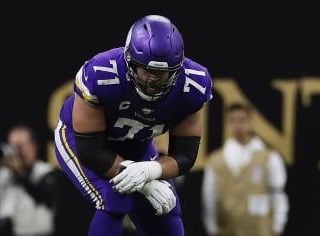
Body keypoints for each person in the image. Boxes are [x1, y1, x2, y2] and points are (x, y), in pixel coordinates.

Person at [53, 14, 213, 236]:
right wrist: (145, 184)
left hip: (136, 145)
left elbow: (185, 155)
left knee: (166, 210)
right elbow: (91, 151)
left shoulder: (193, 85)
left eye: (161, 72)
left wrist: (151, 170)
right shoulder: (101, 73)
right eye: (146, 69)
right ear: (129, 61)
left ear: (176, 70)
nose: (152, 79)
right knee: (114, 199)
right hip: (81, 140)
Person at [201, 103, 289, 236]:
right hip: (227, 230)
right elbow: (209, 198)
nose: (238, 125)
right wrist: (212, 228)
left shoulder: (269, 158)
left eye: (242, 120)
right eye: (233, 120)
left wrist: (278, 226)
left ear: (251, 123)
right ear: (227, 124)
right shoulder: (216, 161)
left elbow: (277, 193)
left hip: (260, 230)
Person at [0, 124, 59, 236]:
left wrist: (21, 174)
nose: (16, 153)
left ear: (34, 147)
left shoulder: (46, 171)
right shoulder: (4, 174)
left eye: (20, 147)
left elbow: (45, 197)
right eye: (11, 147)